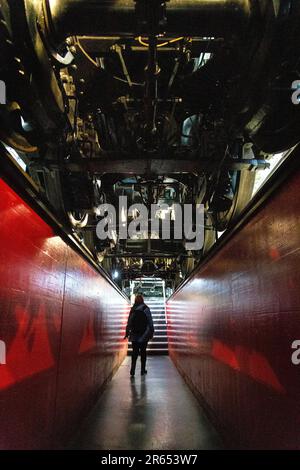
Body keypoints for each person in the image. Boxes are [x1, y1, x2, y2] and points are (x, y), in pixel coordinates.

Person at [124, 294, 154, 377]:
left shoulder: (133, 309)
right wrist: (151, 331)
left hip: (134, 334)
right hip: (144, 335)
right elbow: (150, 321)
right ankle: (142, 370)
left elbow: (129, 322)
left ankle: (132, 369)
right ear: (142, 300)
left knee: (135, 352)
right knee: (143, 352)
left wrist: (127, 332)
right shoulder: (146, 308)